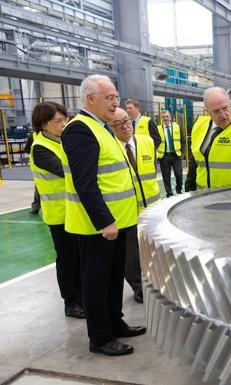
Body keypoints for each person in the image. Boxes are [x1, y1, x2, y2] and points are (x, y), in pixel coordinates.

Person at [61, 74, 145, 356]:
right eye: (109, 98)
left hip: (118, 221)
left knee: (112, 279)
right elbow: (85, 183)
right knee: (96, 282)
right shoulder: (79, 130)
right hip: (97, 226)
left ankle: (114, 322)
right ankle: (99, 337)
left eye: (116, 97)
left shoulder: (102, 127)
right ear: (90, 99)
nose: (115, 103)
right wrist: (104, 221)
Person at [29, 101, 85, 319]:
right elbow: (66, 171)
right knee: (67, 259)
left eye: (65, 119)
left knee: (79, 258)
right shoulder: (40, 148)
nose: (64, 123)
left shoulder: (61, 140)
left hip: (74, 210)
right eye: (58, 121)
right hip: (59, 214)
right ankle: (71, 302)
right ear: (44, 125)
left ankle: (82, 297)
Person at [109, 107, 160, 303]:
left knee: (153, 249)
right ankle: (138, 287)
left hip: (152, 208)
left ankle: (156, 282)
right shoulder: (111, 148)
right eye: (117, 124)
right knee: (130, 255)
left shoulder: (146, 142)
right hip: (128, 210)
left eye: (127, 121)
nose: (125, 126)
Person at [157, 110, 184, 197]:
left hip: (176, 155)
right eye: (163, 117)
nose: (165, 118)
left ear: (170, 118)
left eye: (167, 116)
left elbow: (183, 140)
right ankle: (169, 194)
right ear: (161, 118)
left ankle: (179, 190)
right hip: (164, 156)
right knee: (166, 176)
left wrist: (182, 153)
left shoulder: (177, 127)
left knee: (179, 174)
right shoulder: (157, 129)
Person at [24, 132, 41, 214]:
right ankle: (36, 207)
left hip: (39, 165)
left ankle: (36, 207)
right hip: (38, 166)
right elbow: (27, 149)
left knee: (38, 186)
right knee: (39, 186)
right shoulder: (33, 136)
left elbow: (27, 149)